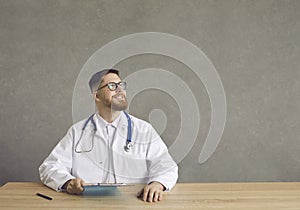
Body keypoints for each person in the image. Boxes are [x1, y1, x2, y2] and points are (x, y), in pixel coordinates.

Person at [39, 69, 178, 202]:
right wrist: (68, 183)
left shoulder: (144, 130)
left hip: (134, 204)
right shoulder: (77, 132)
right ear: (96, 95)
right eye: (112, 86)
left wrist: (158, 184)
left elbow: (167, 166)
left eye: (121, 85)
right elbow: (49, 167)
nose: (120, 89)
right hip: (89, 204)